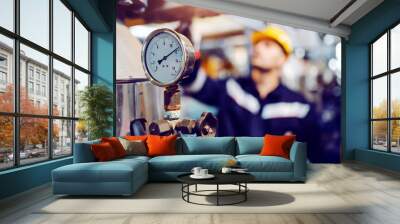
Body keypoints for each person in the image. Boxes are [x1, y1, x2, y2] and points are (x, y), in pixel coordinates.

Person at [181, 26, 320, 162]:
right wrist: (188, 52)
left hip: (272, 180)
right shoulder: (232, 89)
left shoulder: (299, 107)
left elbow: (315, 155)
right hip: (230, 173)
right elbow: (196, 84)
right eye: (257, 44)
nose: (258, 48)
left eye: (267, 45)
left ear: (282, 58)